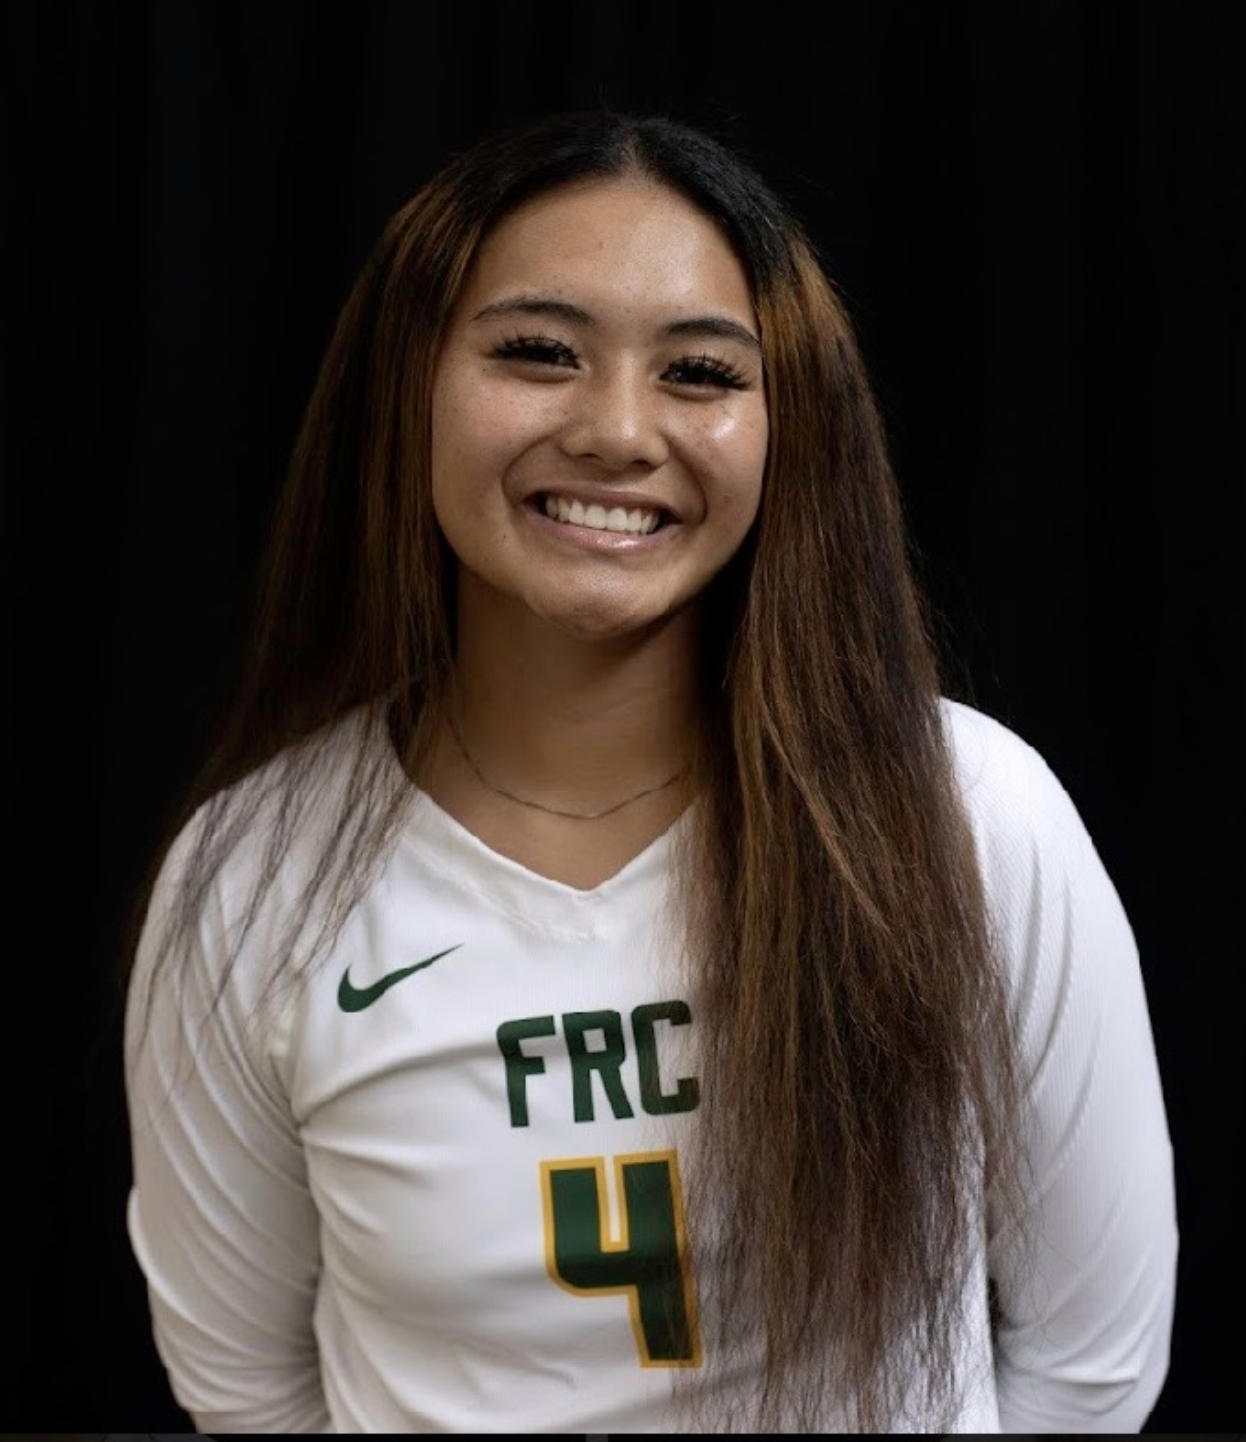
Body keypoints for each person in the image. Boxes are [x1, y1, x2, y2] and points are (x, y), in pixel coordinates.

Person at [121, 108, 1178, 1435]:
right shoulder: (251, 876)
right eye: (538, 352)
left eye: (699, 372)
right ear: (407, 383)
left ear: (791, 423)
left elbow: (1088, 1369)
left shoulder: (971, 817)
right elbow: (246, 1389)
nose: (619, 431)